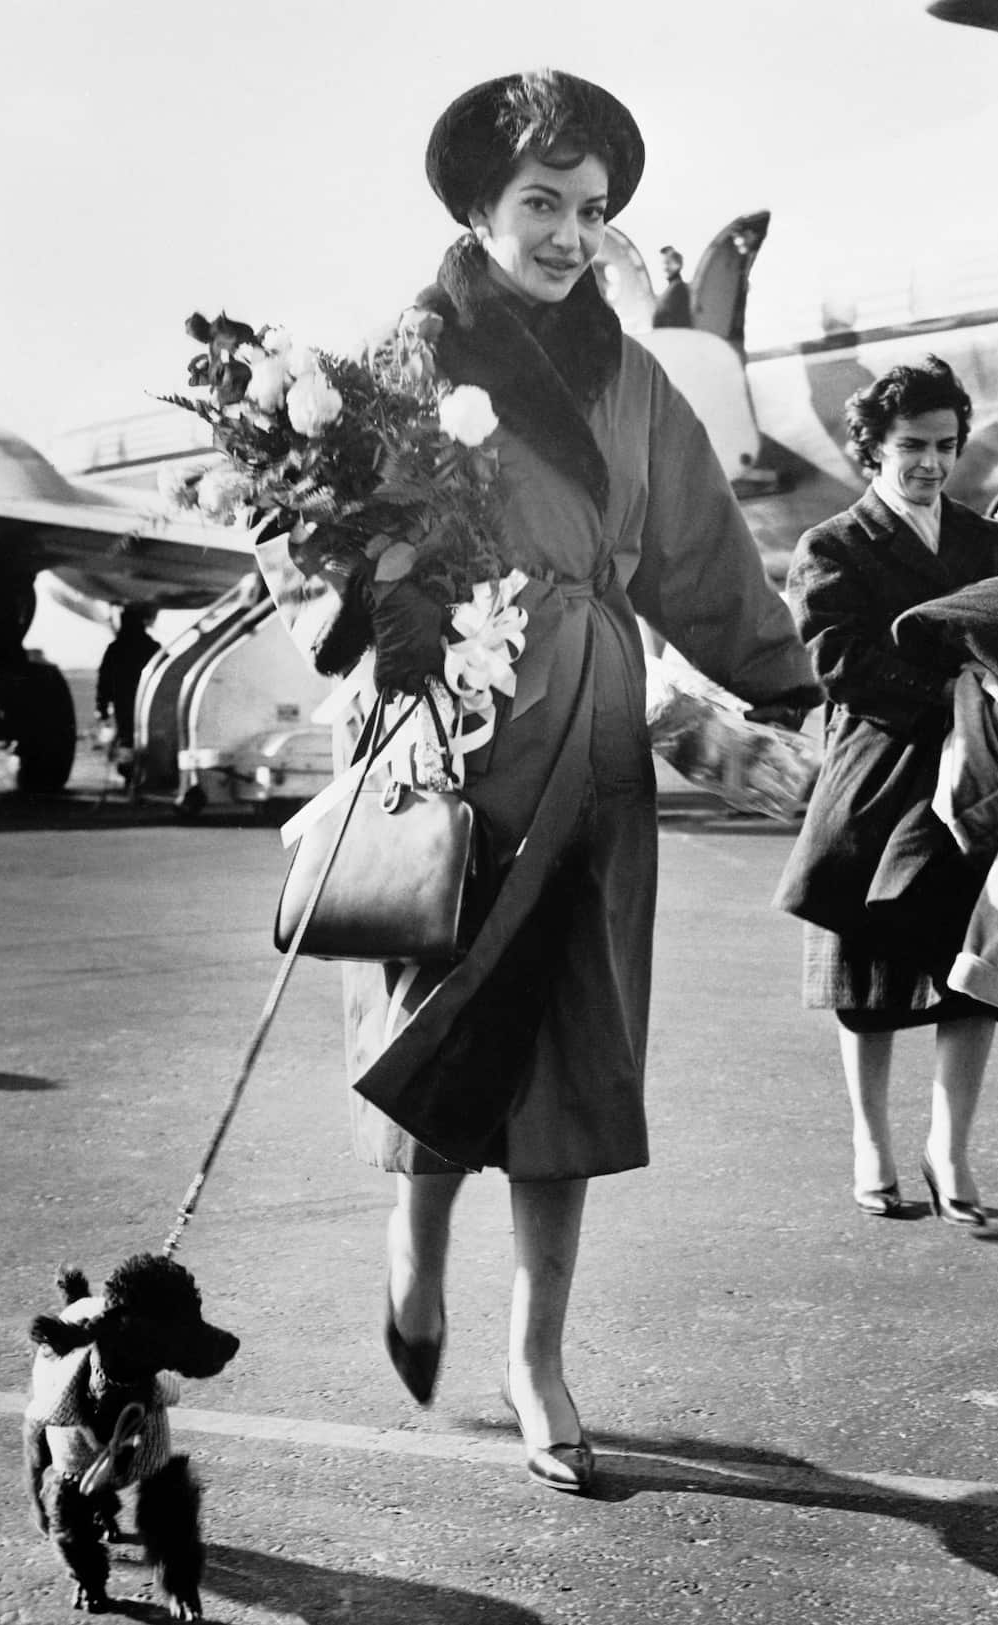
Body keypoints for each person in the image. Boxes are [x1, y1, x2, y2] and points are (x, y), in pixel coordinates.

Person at [263, 69, 818, 1493]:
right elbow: (317, 551)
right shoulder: (395, 366)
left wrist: (788, 688)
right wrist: (381, 618)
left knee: (576, 1047)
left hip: (594, 735)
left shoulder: (633, 378)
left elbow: (699, 553)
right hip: (446, 739)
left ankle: (537, 1357)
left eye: (593, 208)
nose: (573, 234)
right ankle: (415, 1243)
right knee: (438, 1018)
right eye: (542, 203)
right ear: (476, 206)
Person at [777, 356, 998, 1227]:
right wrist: (955, 690)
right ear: (873, 448)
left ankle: (950, 1148)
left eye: (946, 445)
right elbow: (840, 663)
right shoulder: (833, 546)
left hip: (980, 779)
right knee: (866, 976)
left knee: (978, 969)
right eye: (913, 445)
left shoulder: (991, 545)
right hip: (878, 778)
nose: (931, 462)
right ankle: (871, 1141)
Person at [95, 606, 160, 775]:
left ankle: (130, 773)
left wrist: (102, 708)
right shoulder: (153, 647)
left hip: (124, 704)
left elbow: (104, 681)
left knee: (127, 739)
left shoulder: (115, 649)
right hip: (148, 704)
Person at [651, 245, 692, 329]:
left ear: (678, 265)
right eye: (663, 263)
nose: (664, 268)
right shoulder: (670, 290)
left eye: (667, 263)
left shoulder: (678, 289)